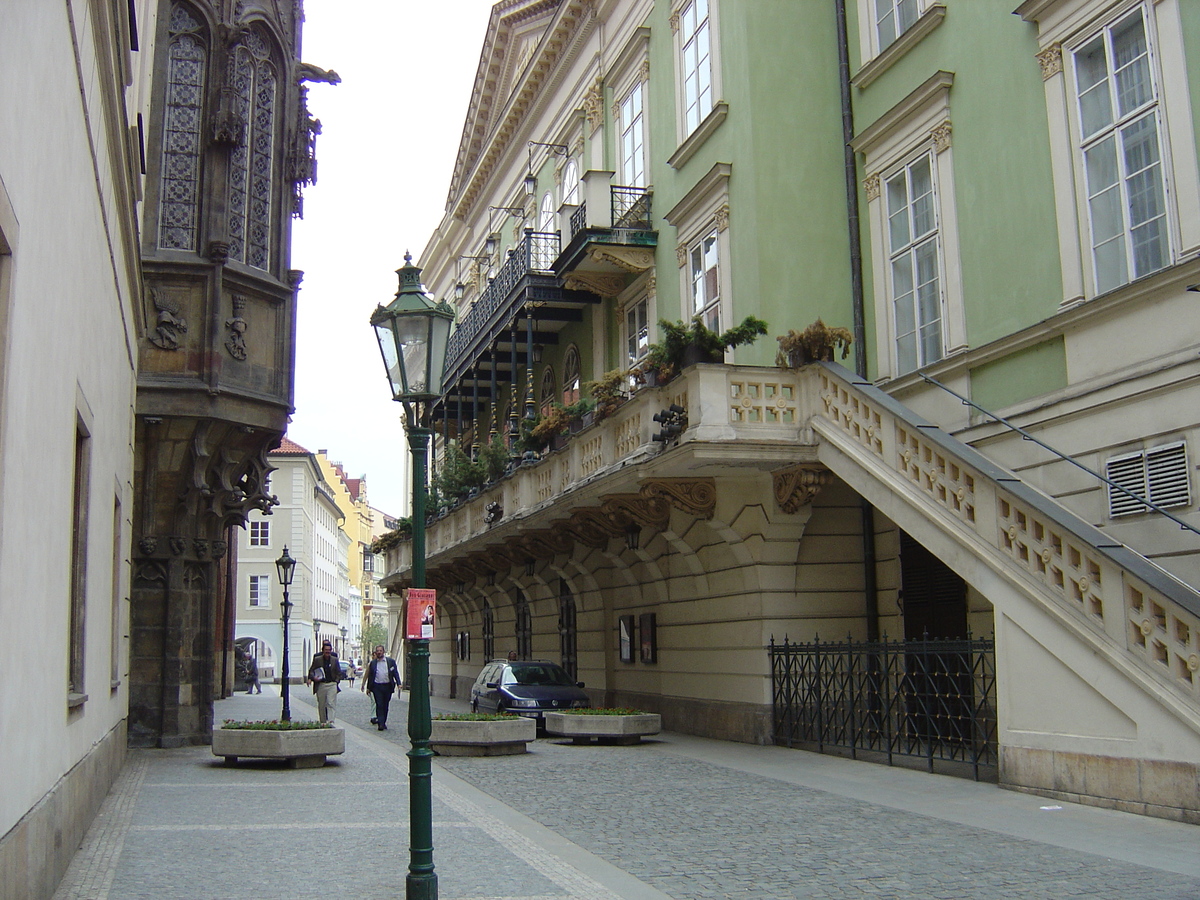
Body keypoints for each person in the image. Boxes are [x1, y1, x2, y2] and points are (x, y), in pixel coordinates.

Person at [361, 644, 401, 730]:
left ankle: (383, 721)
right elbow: (370, 676)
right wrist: (368, 688)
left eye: (380, 651)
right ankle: (380, 723)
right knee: (379, 704)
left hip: (387, 686)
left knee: (385, 705)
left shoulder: (390, 662)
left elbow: (395, 673)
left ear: (383, 652)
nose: (379, 652)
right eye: (377, 651)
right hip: (377, 686)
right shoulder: (373, 663)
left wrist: (399, 683)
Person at [305, 640, 342, 724]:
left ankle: (331, 720)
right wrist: (312, 678)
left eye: (329, 650)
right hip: (321, 684)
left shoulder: (334, 660)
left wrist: (336, 681)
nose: (327, 652)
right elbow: (311, 670)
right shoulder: (317, 659)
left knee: (330, 702)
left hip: (332, 684)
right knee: (321, 704)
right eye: (326, 650)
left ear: (331, 650)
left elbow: (339, 672)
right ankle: (323, 721)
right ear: (323, 651)